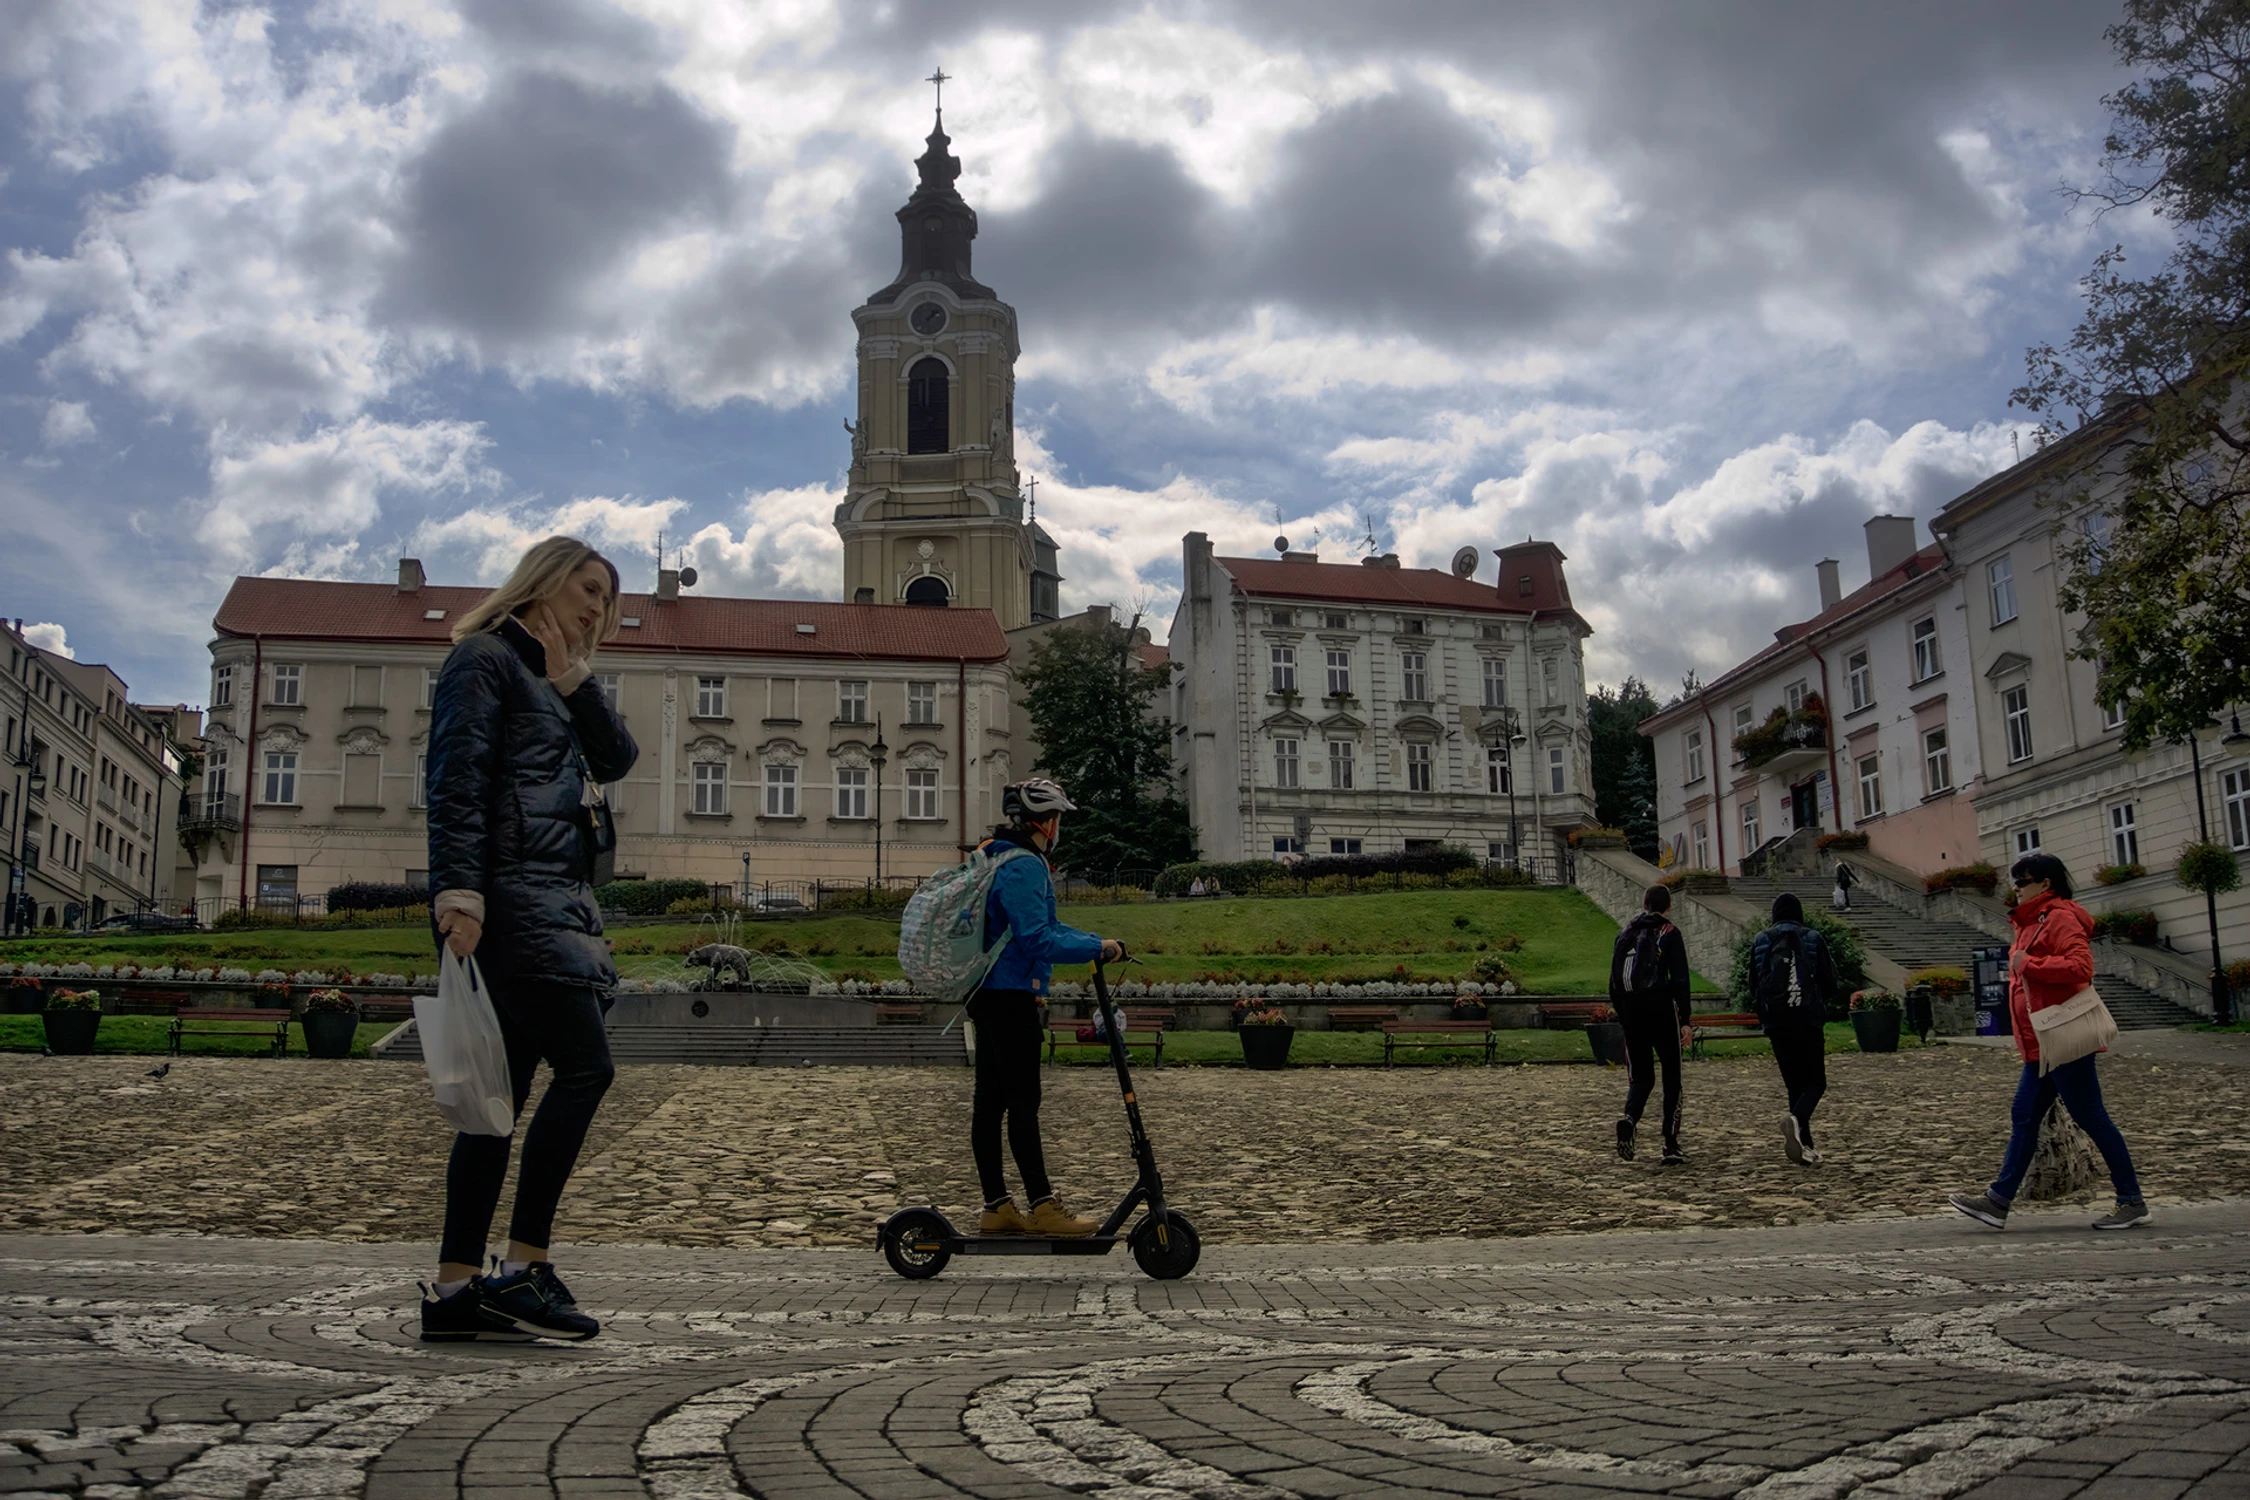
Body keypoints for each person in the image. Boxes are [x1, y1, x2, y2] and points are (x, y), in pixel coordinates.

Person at [417, 536, 639, 1342]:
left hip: (554, 900)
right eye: (587, 588)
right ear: (543, 579)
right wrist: (460, 893)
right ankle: (523, 1266)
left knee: (493, 1106)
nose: (597, 607)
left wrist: (574, 679)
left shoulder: (552, 679)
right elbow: (456, 777)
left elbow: (617, 758)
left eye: (606, 599)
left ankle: (453, 1289)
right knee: (586, 1070)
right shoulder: (483, 661)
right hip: (514, 902)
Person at [1949, 854, 2147, 1231]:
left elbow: (2081, 967)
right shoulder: (2029, 923)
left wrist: (2029, 965)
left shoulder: (2059, 917)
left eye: (2022, 881)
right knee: (2024, 1116)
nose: (2016, 888)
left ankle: (2132, 1200)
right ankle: (1997, 1201)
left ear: (2045, 884)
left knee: (2091, 1118)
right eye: (2015, 881)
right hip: (2042, 1043)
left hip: (2063, 1038)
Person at [970, 777, 1126, 1236]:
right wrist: (1099, 946)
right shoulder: (1023, 866)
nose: (1060, 827)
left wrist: (1093, 944)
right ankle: (1043, 1207)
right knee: (1022, 1102)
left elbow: (1040, 929)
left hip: (991, 992)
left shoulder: (997, 856)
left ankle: (997, 1207)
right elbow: (1038, 936)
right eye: (1058, 818)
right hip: (1006, 997)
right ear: (1046, 821)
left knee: (992, 1101)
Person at [1750, 893, 1837, 1166]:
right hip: (1807, 1018)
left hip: (1777, 1021)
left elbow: (1754, 982)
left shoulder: (1762, 939)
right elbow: (1829, 979)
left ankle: (1805, 1145)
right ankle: (1797, 1122)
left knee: (1794, 1084)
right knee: (1815, 1082)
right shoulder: (1812, 937)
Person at [1610, 883, 1692, 1166]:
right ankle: (1670, 1142)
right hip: (1661, 1010)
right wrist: (1685, 1019)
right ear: (1668, 906)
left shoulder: (1624, 933)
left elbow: (1613, 982)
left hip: (1632, 1014)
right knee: (1672, 1077)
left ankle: (1630, 1118)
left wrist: (1624, 1014)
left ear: (1644, 904)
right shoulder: (1669, 933)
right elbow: (1680, 979)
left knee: (1641, 1077)